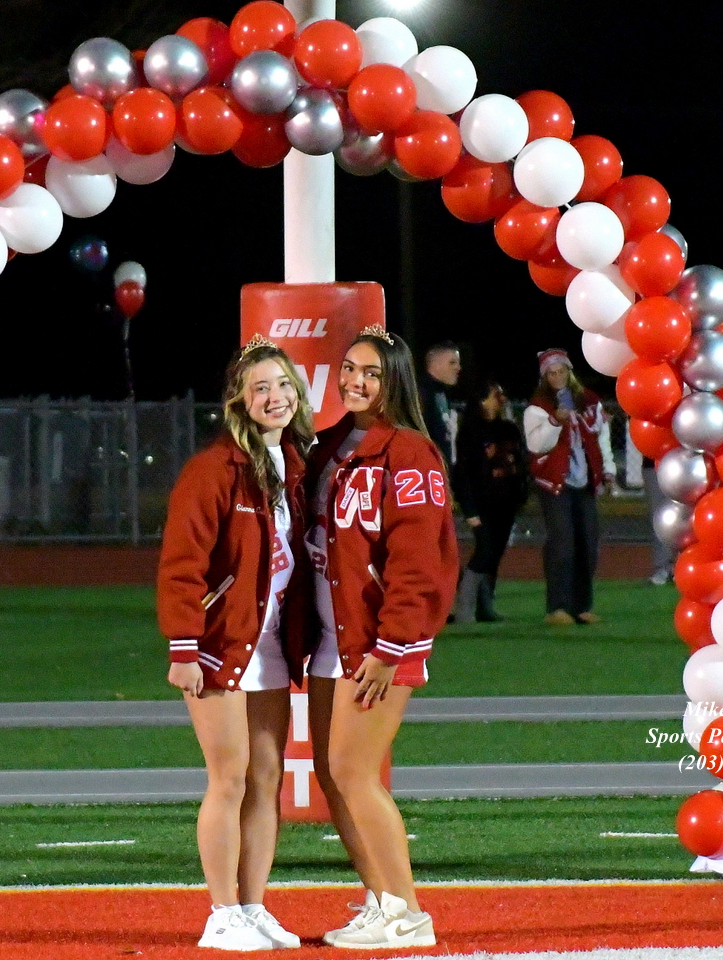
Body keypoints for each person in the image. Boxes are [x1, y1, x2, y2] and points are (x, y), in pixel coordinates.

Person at [157, 334, 315, 951]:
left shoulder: (296, 466)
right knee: (229, 777)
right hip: (220, 643)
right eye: (261, 388)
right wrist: (183, 646)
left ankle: (253, 906)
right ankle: (220, 913)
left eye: (283, 385)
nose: (275, 397)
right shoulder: (213, 469)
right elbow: (182, 563)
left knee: (266, 777)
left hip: (270, 644)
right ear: (238, 400)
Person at [303, 326, 458, 949]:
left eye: (370, 372)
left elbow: (418, 561)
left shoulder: (411, 453)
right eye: (349, 369)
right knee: (331, 773)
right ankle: (379, 900)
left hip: (378, 641)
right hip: (332, 636)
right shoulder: (329, 444)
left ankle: (408, 913)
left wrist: (391, 646)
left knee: (354, 770)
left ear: (394, 380)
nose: (355, 382)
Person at [523, 349, 615, 626]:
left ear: (569, 372)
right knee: (562, 543)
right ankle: (557, 607)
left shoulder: (588, 401)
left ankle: (581, 606)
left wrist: (608, 468)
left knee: (588, 541)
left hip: (584, 480)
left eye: (561, 371)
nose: (557, 377)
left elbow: (601, 436)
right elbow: (536, 445)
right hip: (555, 483)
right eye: (551, 373)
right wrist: (555, 422)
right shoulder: (538, 406)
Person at [452, 380, 528, 622]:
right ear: (482, 401)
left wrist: (521, 492)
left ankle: (485, 607)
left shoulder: (508, 429)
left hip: (506, 502)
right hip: (482, 502)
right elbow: (463, 473)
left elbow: (520, 461)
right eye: (496, 395)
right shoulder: (471, 431)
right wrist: (469, 509)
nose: (501, 399)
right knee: (484, 551)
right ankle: (464, 608)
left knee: (495, 554)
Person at [417, 340, 461, 466]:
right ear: (436, 365)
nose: (458, 367)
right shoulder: (420, 394)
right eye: (452, 362)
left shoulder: (442, 393)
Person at [643, 455, 676, 585]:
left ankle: (682, 566)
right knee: (659, 518)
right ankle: (662, 568)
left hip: (685, 461)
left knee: (686, 517)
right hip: (653, 464)